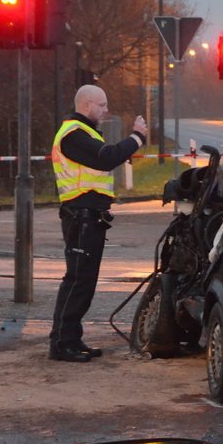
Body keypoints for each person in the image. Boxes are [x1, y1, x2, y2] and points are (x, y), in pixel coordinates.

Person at [49, 84, 149, 362]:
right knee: (78, 281)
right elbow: (107, 158)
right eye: (102, 105)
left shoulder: (84, 133)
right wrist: (137, 137)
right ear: (86, 105)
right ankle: (60, 343)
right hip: (80, 216)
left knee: (84, 281)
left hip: (88, 217)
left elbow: (107, 156)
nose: (106, 110)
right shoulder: (73, 134)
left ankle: (70, 338)